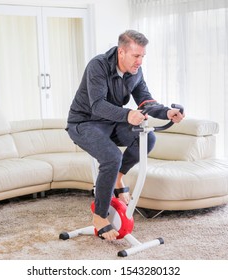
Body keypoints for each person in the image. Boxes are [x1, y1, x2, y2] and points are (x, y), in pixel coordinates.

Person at [66, 30, 184, 240]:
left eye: (143, 56)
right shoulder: (98, 65)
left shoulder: (135, 72)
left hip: (111, 122)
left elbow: (145, 100)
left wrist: (166, 112)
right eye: (136, 56)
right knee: (112, 156)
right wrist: (128, 114)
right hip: (84, 122)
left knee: (147, 138)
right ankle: (99, 216)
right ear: (121, 52)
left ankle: (119, 177)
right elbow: (98, 105)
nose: (140, 61)